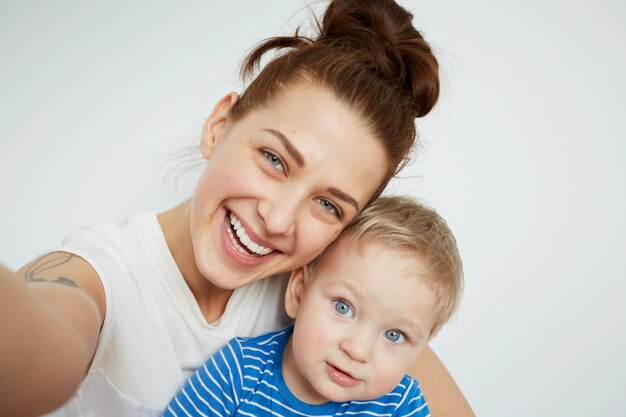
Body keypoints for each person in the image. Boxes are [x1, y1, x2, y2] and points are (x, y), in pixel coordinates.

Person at [0, 1, 474, 416]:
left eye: (328, 205)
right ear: (219, 125)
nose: (278, 219)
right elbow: (37, 343)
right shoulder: (101, 276)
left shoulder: (337, 300)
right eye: (274, 160)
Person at [164, 196, 463, 417]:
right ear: (298, 291)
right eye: (343, 308)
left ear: (422, 346)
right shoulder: (237, 373)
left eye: (395, 335)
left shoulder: (400, 406)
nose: (357, 350)